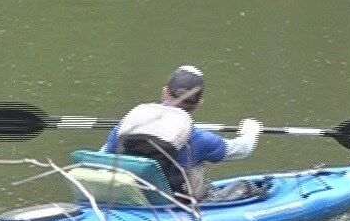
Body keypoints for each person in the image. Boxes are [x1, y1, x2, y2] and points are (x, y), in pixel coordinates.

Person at [103, 65, 261, 202]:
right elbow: (243, 149)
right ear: (199, 104)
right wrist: (251, 130)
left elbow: (103, 155)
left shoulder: (127, 124)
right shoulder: (199, 138)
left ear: (164, 93)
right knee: (248, 188)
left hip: (127, 198)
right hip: (176, 205)